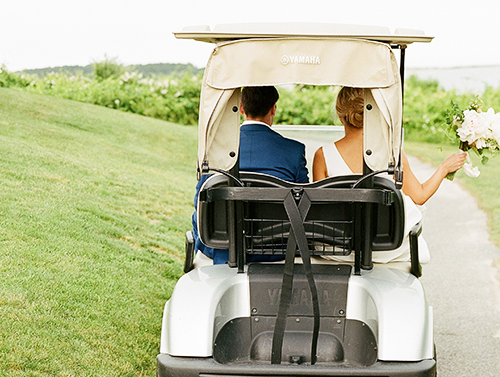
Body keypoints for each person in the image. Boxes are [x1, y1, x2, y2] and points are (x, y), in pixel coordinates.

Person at [311, 86, 466, 267]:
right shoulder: (392, 152)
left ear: (340, 116)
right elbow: (420, 196)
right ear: (374, 114)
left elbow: (320, 210)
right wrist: (444, 168)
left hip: (338, 250)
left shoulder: (322, 155)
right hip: (388, 249)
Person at [192, 86, 309, 266]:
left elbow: (200, 200)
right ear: (273, 108)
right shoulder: (294, 150)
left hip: (224, 248)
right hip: (277, 249)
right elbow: (304, 202)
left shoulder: (217, 148)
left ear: (241, 108)